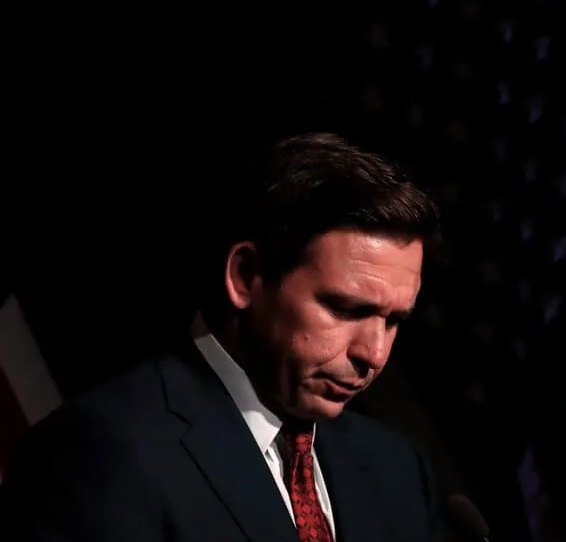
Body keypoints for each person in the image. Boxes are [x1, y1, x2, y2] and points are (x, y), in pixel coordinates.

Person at [0, 132, 444, 541]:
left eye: (393, 320)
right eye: (345, 309)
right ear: (245, 277)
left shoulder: (398, 469)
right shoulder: (101, 453)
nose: (374, 354)